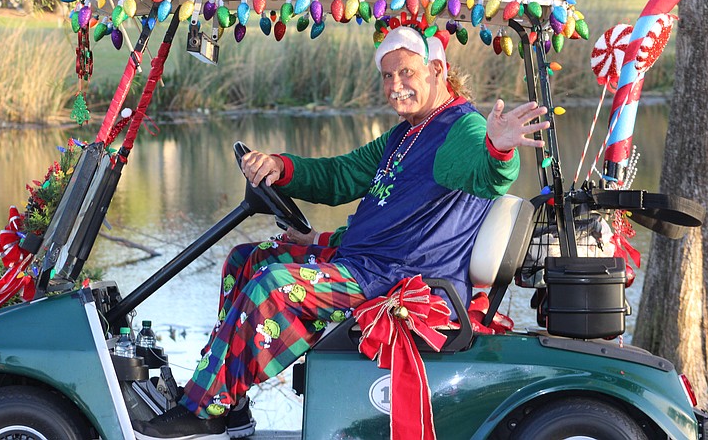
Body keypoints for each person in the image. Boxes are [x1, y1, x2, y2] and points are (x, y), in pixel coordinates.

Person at [133, 25, 549, 440]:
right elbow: (341, 175)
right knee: (248, 259)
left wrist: (499, 149)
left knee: (274, 285)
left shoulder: (463, 129)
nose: (395, 86)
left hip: (402, 281)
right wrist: (281, 168)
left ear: (437, 70)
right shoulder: (407, 133)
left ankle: (204, 407)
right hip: (366, 265)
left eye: (406, 72)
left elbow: (485, 174)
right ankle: (231, 404)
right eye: (387, 76)